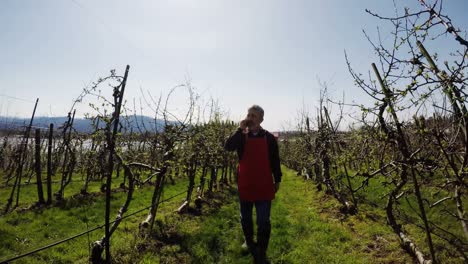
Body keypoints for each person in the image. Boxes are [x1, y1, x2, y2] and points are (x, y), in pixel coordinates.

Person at [225, 105, 282, 264]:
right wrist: (239, 129)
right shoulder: (242, 136)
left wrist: (277, 179)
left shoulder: (269, 138)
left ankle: (262, 249)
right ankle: (249, 242)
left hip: (264, 183)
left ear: (261, 119)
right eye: (248, 115)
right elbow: (228, 147)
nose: (250, 118)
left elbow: (275, 161)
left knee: (264, 220)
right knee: (246, 218)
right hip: (246, 183)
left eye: (254, 116)